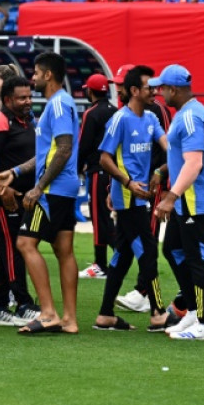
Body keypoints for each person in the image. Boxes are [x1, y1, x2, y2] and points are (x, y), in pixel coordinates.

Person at [0, 52, 80, 335]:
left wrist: (39, 186)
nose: (32, 78)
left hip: (53, 190)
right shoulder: (60, 104)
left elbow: (64, 149)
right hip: (64, 189)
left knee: (25, 244)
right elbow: (48, 153)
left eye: (35, 73)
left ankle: (47, 313)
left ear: (48, 75)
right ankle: (69, 319)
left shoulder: (58, 105)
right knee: (63, 250)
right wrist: (16, 172)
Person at [94, 66, 170, 332]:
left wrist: (165, 167)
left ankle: (105, 315)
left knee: (123, 256)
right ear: (135, 91)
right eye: (150, 88)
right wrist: (127, 183)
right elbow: (104, 158)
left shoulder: (151, 118)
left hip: (141, 198)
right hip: (128, 199)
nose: (155, 92)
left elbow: (169, 146)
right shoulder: (120, 120)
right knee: (148, 251)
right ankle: (158, 312)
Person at [153, 64, 204, 340]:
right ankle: (193, 312)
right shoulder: (188, 114)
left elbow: (194, 163)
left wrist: (171, 196)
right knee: (172, 250)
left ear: (174, 89)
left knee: (197, 259)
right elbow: (182, 156)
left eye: (162, 88)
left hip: (197, 202)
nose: (159, 93)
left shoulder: (191, 117)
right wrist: (162, 171)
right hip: (188, 201)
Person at [0, 76, 42, 327]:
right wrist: (2, 189)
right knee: (11, 248)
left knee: (9, 250)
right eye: (21, 98)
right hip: (1, 199)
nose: (27, 101)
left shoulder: (25, 121)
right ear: (7, 100)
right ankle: (23, 303)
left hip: (18, 197)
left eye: (29, 96)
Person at [77, 73, 117, 279]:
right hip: (115, 171)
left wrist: (76, 169)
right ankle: (118, 253)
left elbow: (83, 145)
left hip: (97, 170)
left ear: (89, 91)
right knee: (104, 216)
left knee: (98, 217)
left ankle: (101, 263)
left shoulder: (91, 113)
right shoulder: (116, 111)